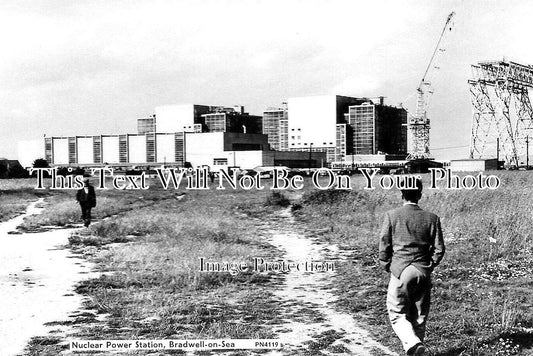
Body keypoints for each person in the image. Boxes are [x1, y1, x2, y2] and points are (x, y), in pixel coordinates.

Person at [378, 179, 445, 356]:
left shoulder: (392, 215)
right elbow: (439, 249)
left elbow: (384, 244)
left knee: (397, 312)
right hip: (422, 270)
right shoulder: (432, 218)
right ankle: (417, 348)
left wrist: (386, 265)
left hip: (400, 269)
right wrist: (429, 265)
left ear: (402, 194)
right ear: (420, 195)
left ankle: (413, 344)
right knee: (420, 316)